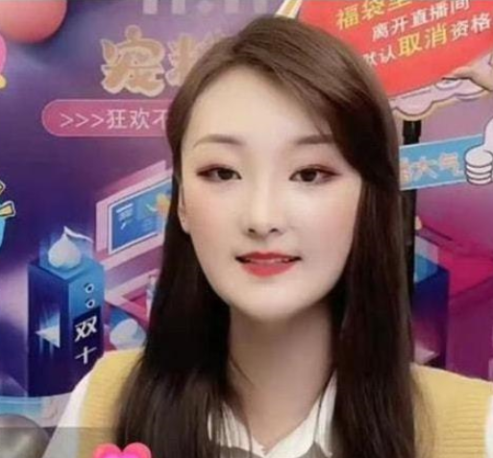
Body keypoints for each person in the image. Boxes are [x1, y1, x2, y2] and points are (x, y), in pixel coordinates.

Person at [44, 15, 493, 458]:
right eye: (222, 172)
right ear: (181, 203)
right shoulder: (105, 403)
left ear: (368, 200)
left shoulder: (475, 429)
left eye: (309, 173)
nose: (262, 218)